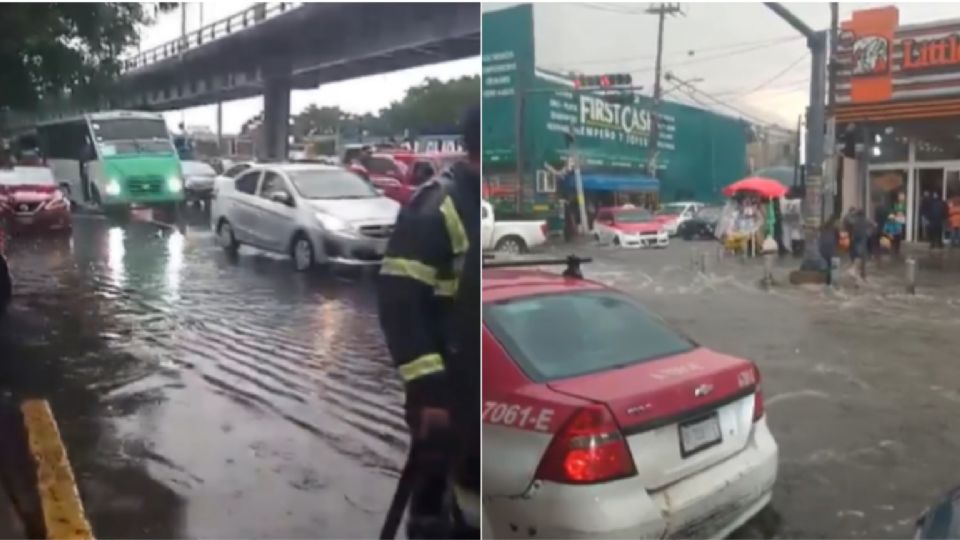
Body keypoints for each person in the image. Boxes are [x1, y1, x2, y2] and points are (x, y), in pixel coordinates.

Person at [378, 105, 480, 539]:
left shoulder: (484, 206)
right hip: (446, 393)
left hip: (481, 390)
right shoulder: (437, 207)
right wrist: (428, 392)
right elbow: (400, 303)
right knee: (434, 508)